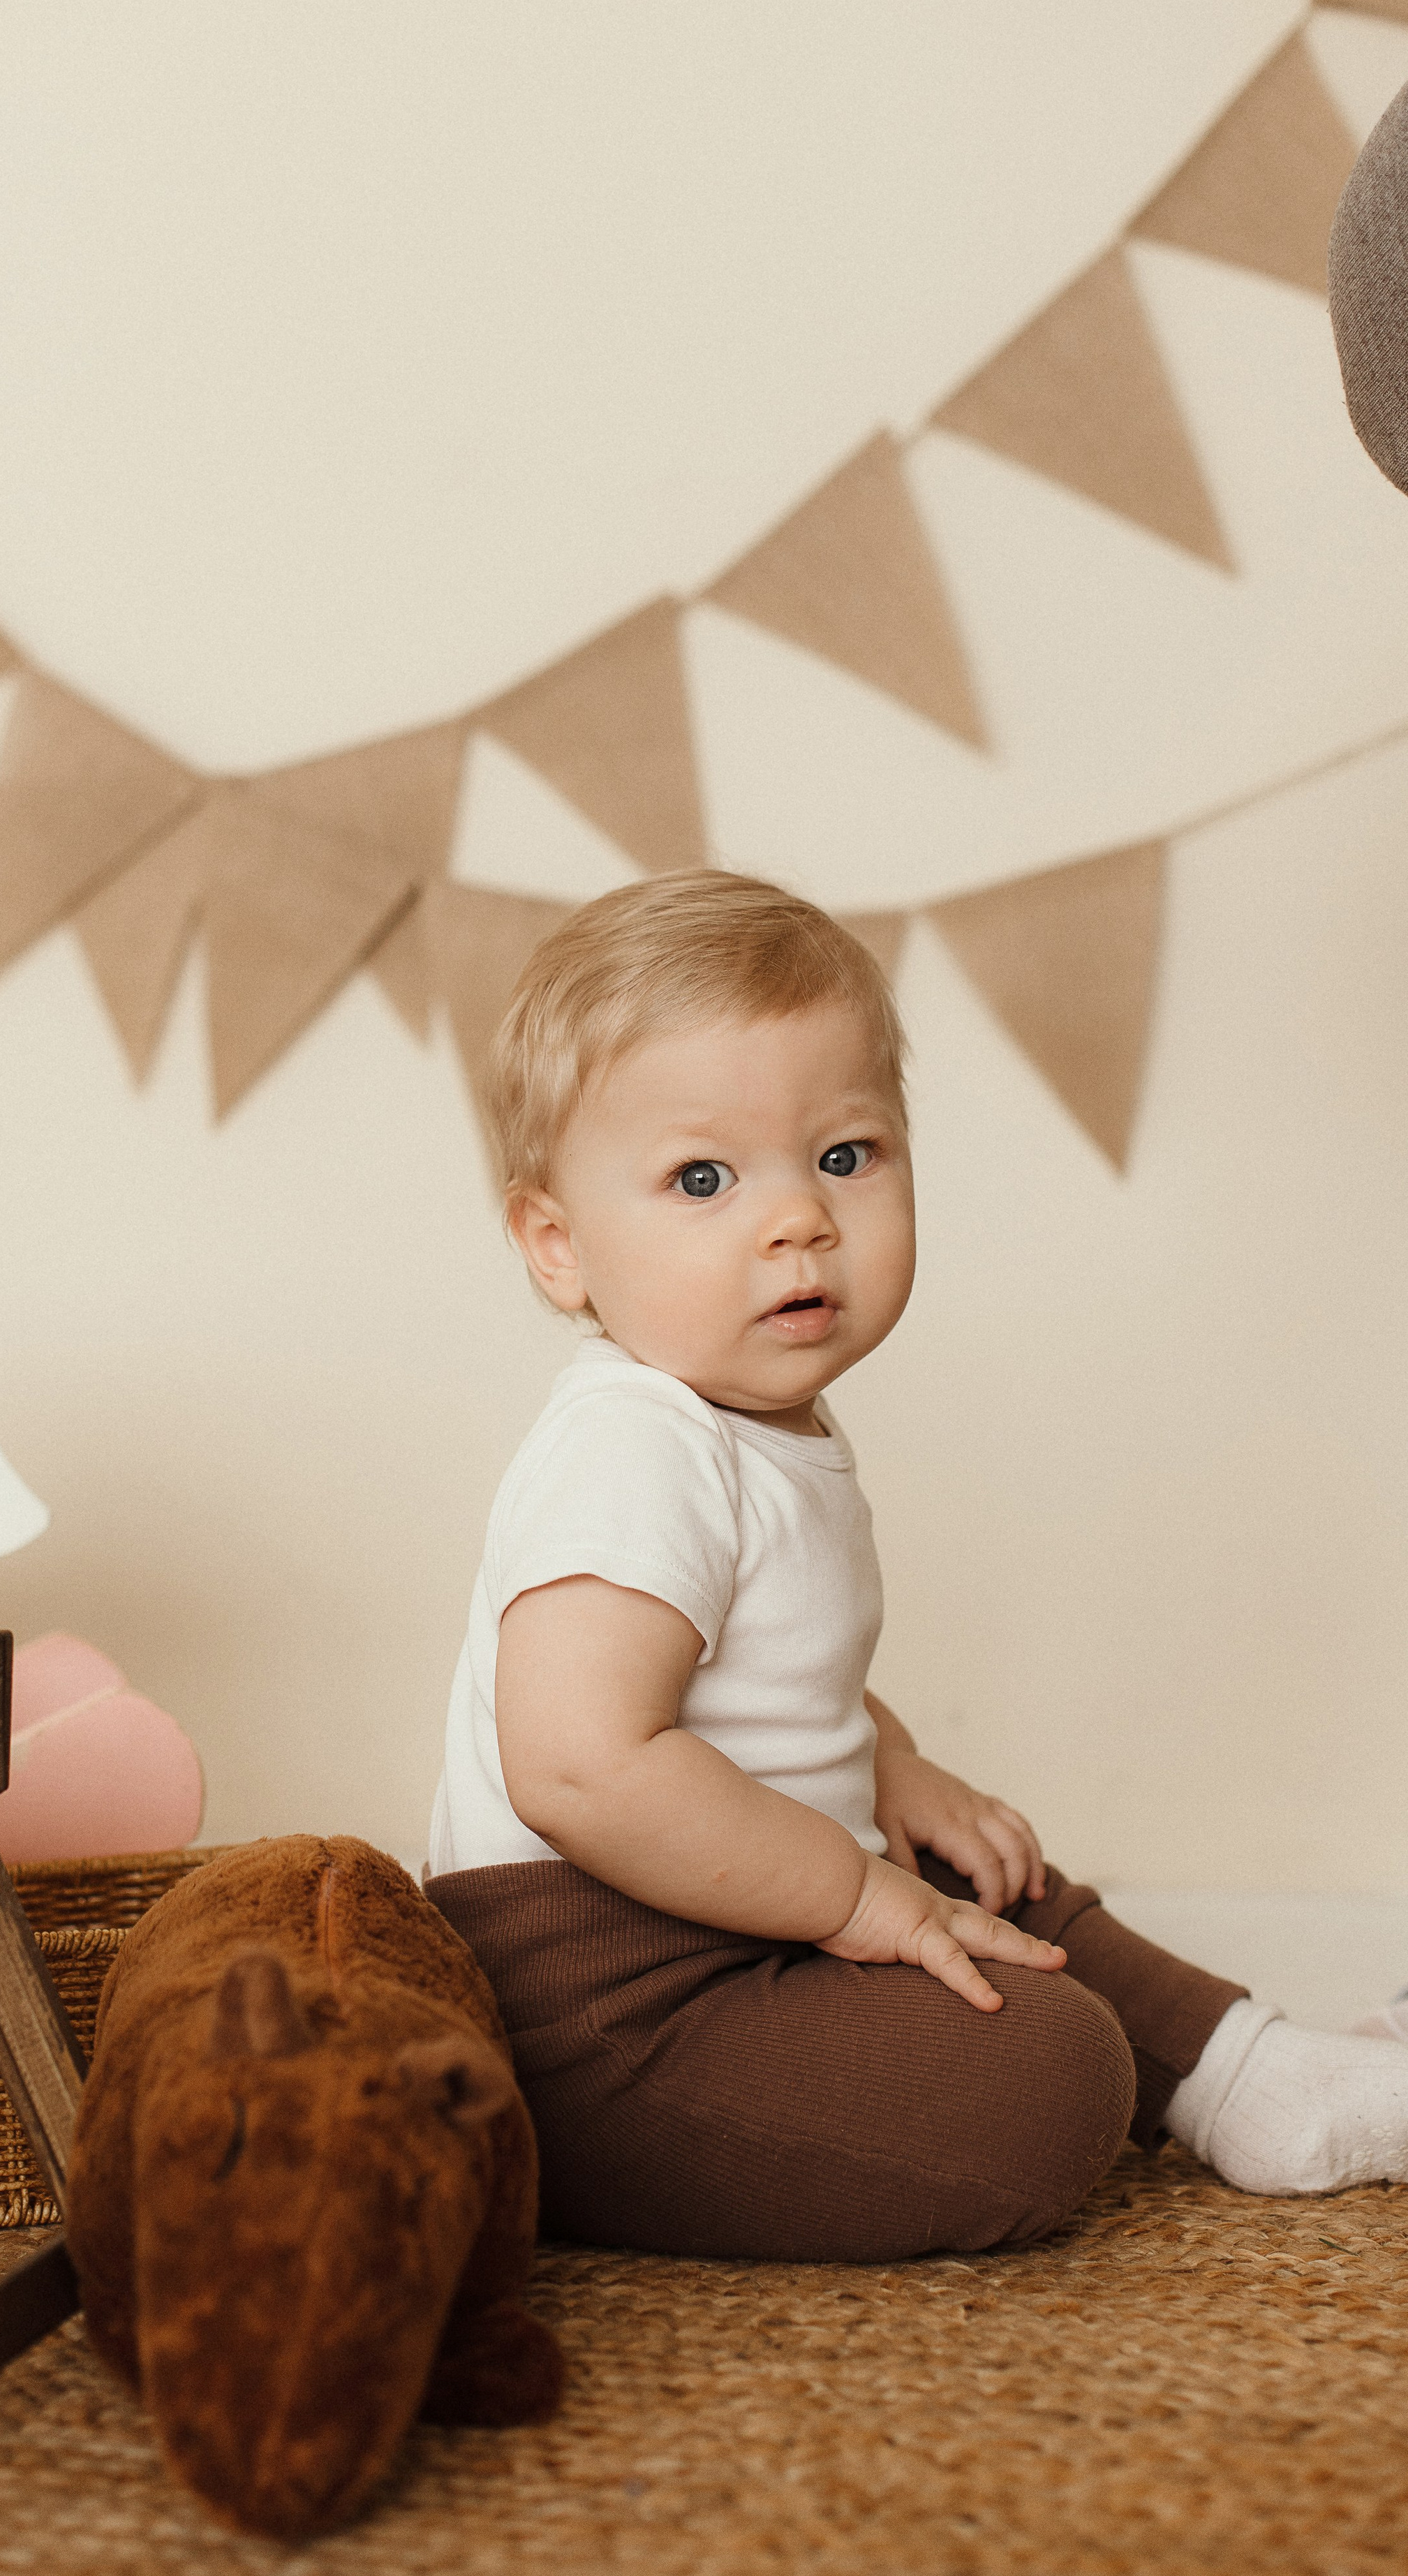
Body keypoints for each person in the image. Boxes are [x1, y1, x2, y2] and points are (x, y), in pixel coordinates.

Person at [424, 869, 1408, 2261]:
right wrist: (854, 1893)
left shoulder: (752, 1424)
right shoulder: (631, 1448)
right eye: (701, 1179)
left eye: (843, 1156)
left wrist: (893, 1780)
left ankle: (1255, 2077)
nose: (796, 1221)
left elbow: (753, 1685)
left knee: (987, 1875)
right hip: (604, 2009)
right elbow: (580, 1764)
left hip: (722, 1924)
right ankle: (593, 2164)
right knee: (1048, 2074)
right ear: (557, 1247)